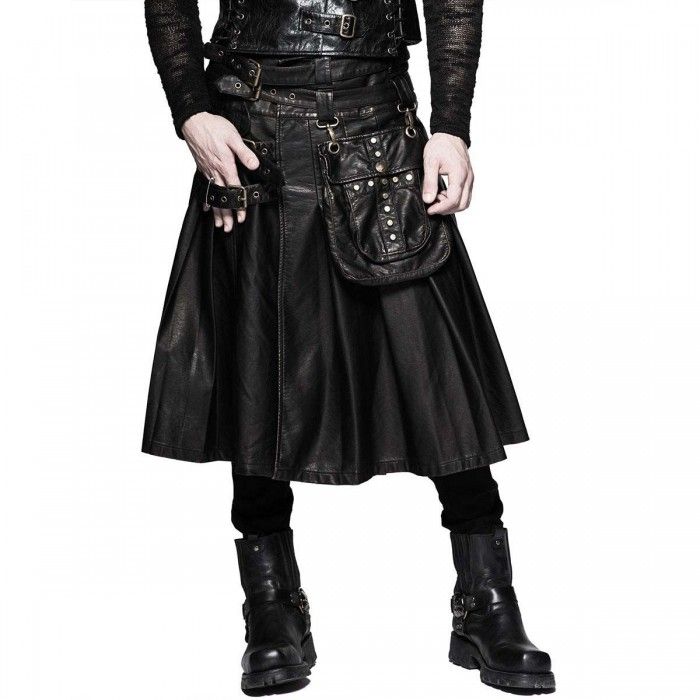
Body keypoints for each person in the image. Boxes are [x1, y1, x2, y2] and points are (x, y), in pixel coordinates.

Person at [143, 0, 555, 694]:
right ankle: (272, 610)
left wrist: (451, 127)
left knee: (440, 379)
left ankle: (485, 603)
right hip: (253, 130)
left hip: (379, 126)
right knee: (259, 371)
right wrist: (191, 111)